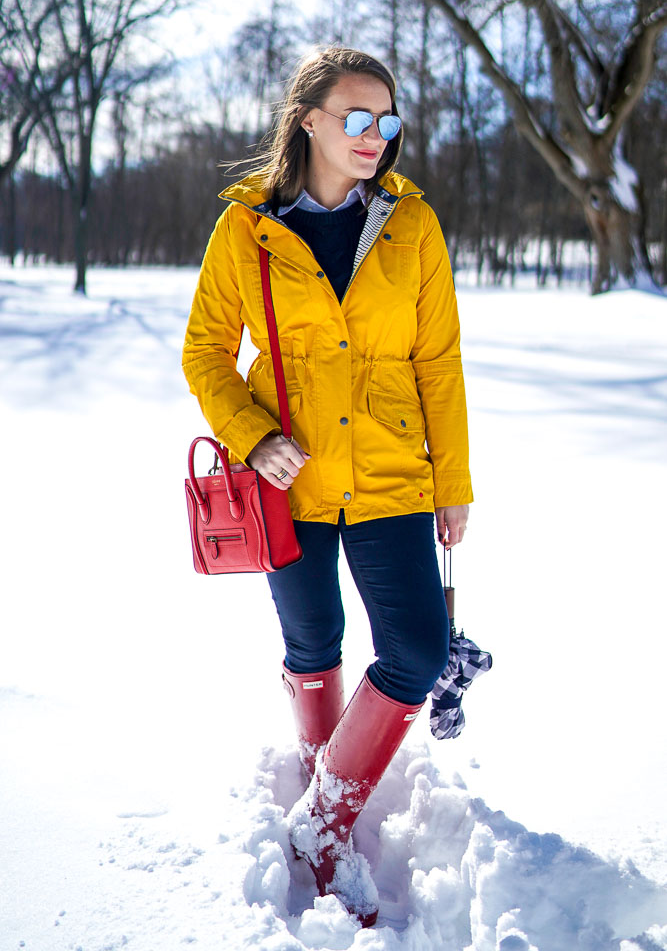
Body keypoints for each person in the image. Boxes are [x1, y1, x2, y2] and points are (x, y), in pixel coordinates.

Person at [182, 46, 473, 927]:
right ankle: (327, 809)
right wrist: (253, 436)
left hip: (392, 476)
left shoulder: (412, 224)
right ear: (308, 120)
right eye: (355, 117)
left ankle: (322, 822)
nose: (374, 135)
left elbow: (438, 362)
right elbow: (205, 352)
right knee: (312, 644)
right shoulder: (246, 230)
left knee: (416, 651)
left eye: (386, 119)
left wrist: (453, 483)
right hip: (290, 484)